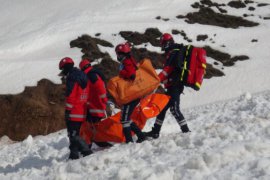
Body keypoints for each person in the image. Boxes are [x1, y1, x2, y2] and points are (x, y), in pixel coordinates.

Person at [144, 33, 190, 139]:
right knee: (163, 109)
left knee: (174, 109)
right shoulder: (173, 53)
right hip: (171, 85)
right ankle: (155, 131)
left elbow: (167, 70)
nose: (162, 46)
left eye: (163, 43)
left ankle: (186, 131)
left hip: (175, 86)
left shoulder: (173, 53)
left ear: (167, 43)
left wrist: (158, 80)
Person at [58, 57, 92, 159]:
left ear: (66, 68)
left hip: (74, 111)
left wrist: (67, 110)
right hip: (82, 110)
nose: (63, 72)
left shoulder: (72, 78)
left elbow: (71, 96)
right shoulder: (82, 76)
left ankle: (86, 151)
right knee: (74, 134)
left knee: (73, 135)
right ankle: (73, 154)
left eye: (63, 69)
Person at [115, 42, 146, 143]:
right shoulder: (129, 61)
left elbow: (131, 75)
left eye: (119, 54)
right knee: (126, 118)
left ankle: (129, 141)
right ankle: (140, 136)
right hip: (132, 94)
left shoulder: (127, 62)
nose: (118, 56)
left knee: (124, 119)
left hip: (132, 95)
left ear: (124, 54)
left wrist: (121, 73)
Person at [79, 59, 112, 148]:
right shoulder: (91, 74)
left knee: (92, 127)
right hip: (94, 106)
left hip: (95, 106)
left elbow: (100, 88)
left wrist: (104, 100)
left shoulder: (92, 75)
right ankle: (97, 142)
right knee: (92, 126)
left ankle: (93, 144)